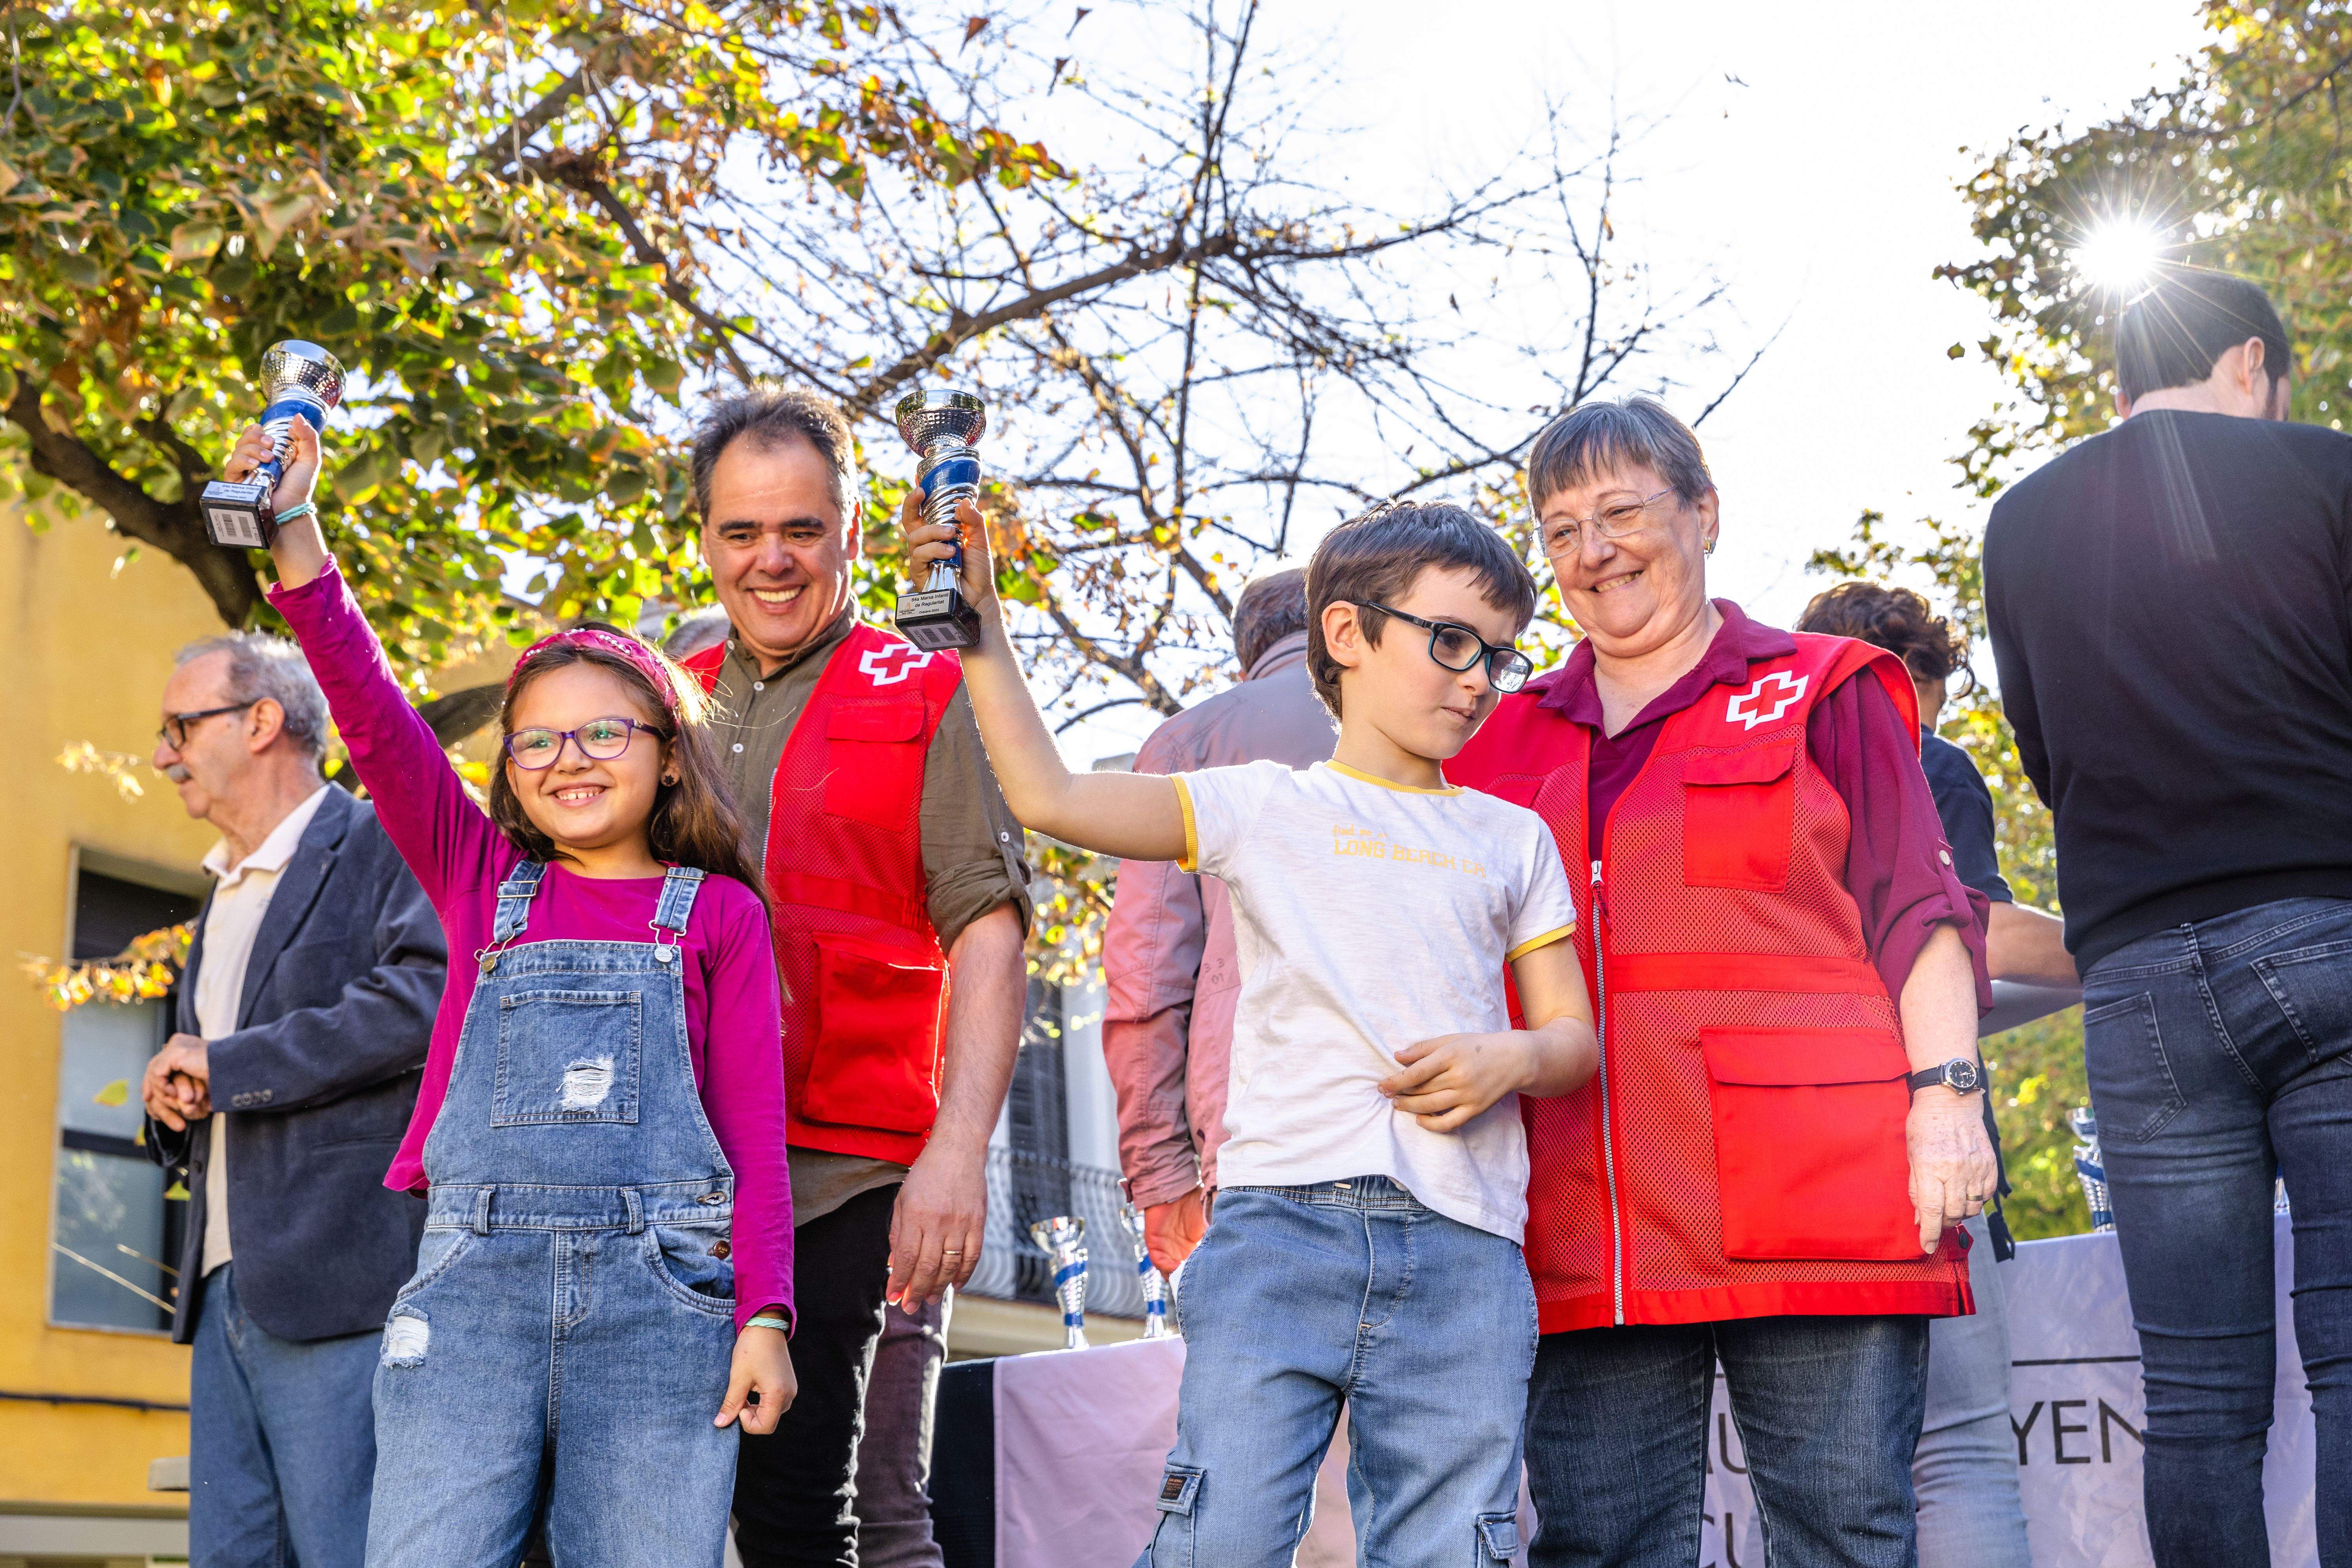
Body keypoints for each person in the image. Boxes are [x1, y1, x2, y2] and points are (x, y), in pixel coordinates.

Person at [907, 490, 1600, 1566]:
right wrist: (983, 629)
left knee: (1455, 1547)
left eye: (1499, 656)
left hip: (1467, 1251)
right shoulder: (1263, 804)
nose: (1479, 678)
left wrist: (1513, 1054)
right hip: (1281, 1232)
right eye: (1453, 641)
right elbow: (1044, 795)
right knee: (1216, 1539)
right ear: (1347, 633)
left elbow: (1572, 1042)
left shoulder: (1513, 839)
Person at [222, 416, 796, 1567]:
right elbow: (372, 712)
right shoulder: (485, 885)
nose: (569, 761)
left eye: (602, 733)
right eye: (535, 745)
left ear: (668, 752)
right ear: (510, 776)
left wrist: (766, 1320)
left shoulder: (721, 918)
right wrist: (293, 524)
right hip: (468, 1299)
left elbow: (754, 1140)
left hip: (663, 1305)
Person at [1446, 396, 1996, 1568]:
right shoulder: (1501, 745)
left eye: (1622, 512)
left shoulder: (1825, 687)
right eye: (1559, 530)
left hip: (1818, 1206)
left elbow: (1921, 911)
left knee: (1845, 1536)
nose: (1593, 552)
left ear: (1702, 513)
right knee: (1599, 1547)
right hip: (1590, 1218)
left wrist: (1948, 1102)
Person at [1984, 266, 2352, 1568]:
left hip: (2136, 975)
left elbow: (2042, 749)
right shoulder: (2327, 473)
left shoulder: (2019, 522)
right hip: (2328, 930)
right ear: (2253, 363)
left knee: (2197, 1404)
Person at [676, 386, 1029, 1568]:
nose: (770, 561)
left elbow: (988, 921)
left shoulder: (933, 688)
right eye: (741, 532)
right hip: (658, 1172)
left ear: (855, 534)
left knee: (796, 1517)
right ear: (705, 539)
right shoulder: (652, 695)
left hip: (841, 1176)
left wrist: (959, 1152)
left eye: (801, 530)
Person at [139, 635, 445, 1568]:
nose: (163, 755)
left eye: (180, 727)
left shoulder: (377, 837)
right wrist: (176, 1098)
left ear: (262, 721)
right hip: (225, 1288)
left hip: (343, 1285)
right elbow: (221, 1065)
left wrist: (225, 1063)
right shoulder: (221, 890)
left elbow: (425, 996)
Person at [1793, 581, 2063, 1568]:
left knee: (1818, 1474)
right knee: (1962, 1452)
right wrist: (2113, 954)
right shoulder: (1921, 758)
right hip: (1918, 1130)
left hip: (1773, 1147)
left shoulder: (1748, 756)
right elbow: (1972, 933)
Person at [1101, 567, 1335, 1272]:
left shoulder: (1187, 746)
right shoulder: (1436, 719)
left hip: (1254, 1136)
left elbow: (1145, 980)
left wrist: (1160, 1174)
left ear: (1245, 660)